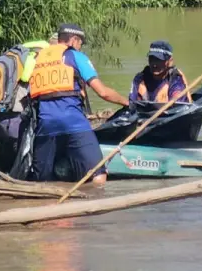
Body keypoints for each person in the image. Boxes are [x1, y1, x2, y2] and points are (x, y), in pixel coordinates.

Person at [29, 23, 129, 184]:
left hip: (45, 125)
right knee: (98, 175)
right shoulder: (75, 56)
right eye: (80, 43)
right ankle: (92, 204)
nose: (80, 47)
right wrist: (127, 102)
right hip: (73, 122)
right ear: (74, 40)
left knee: (42, 181)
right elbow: (102, 92)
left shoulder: (37, 58)